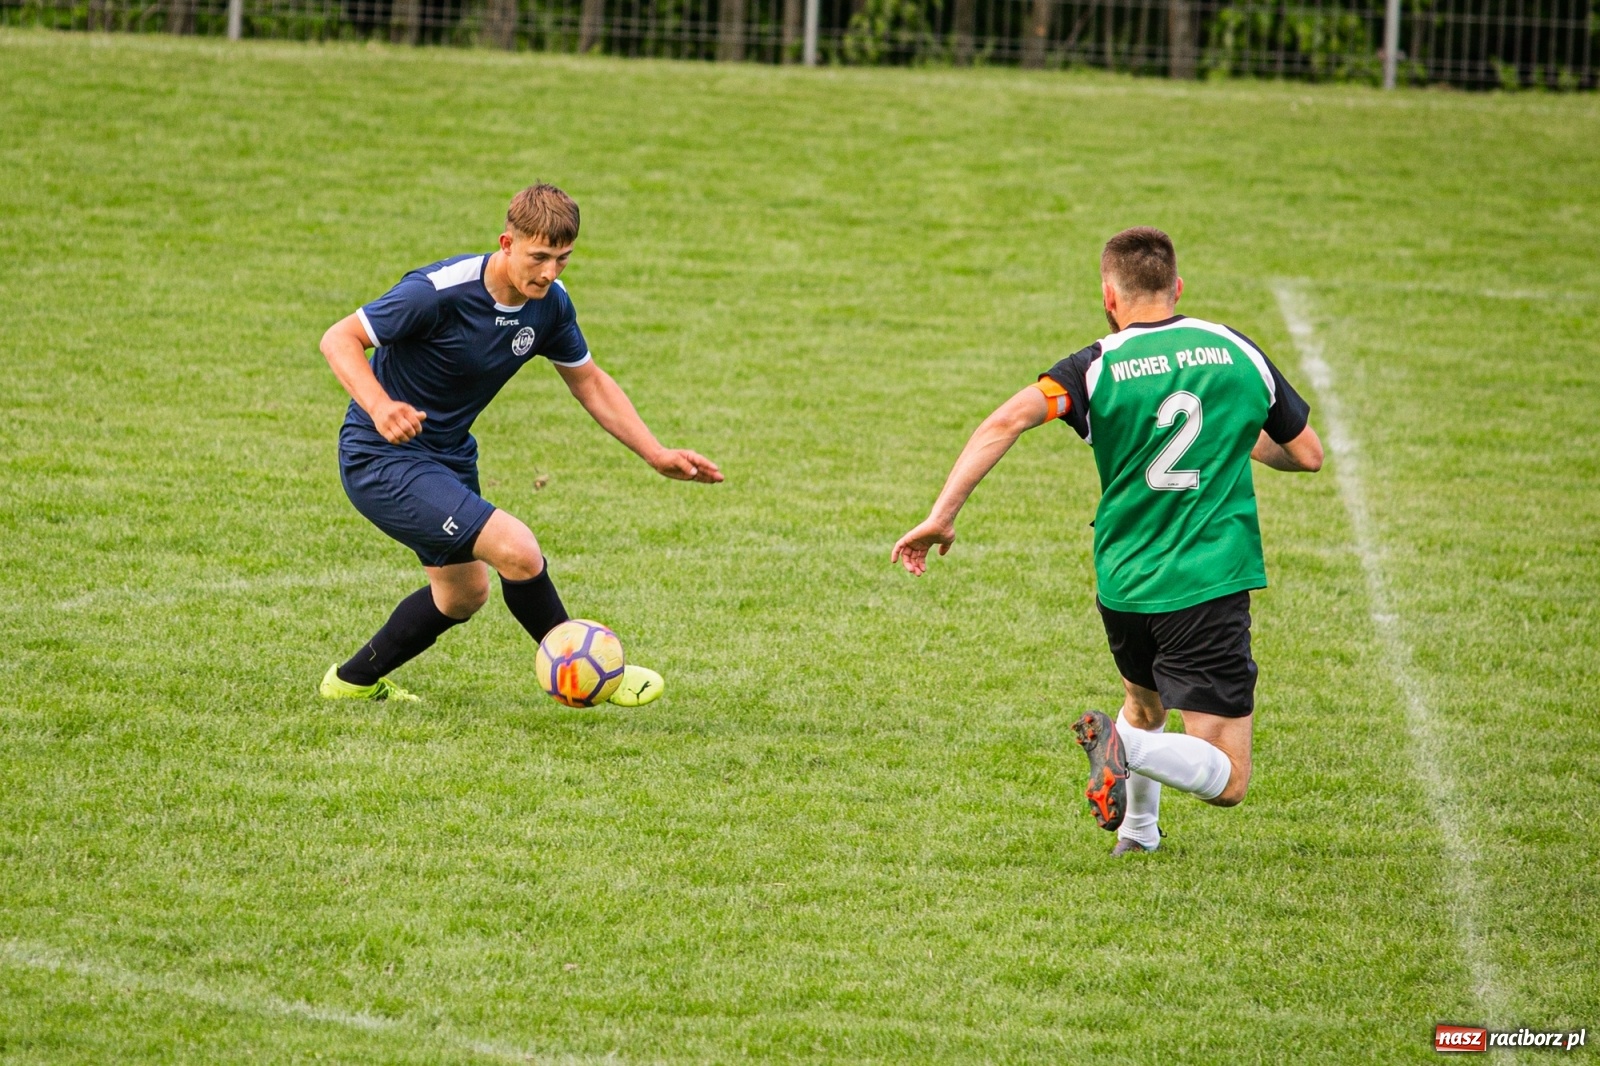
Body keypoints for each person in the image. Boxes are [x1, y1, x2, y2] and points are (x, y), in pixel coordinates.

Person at [891, 227, 1323, 854]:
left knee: (1143, 703)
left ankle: (1139, 833)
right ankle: (1127, 752)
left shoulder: (1091, 369)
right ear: (1177, 287)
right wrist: (1230, 432)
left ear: (1108, 297)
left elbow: (1007, 419)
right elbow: (1305, 454)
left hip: (1122, 583)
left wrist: (941, 516)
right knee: (1228, 778)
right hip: (1205, 583)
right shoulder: (1233, 349)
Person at [318, 183, 721, 705]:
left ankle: (350, 683)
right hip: (381, 456)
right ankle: (585, 670)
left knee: (462, 596)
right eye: (538, 257)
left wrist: (656, 452)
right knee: (518, 550)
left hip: (448, 456)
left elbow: (589, 381)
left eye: (563, 259)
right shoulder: (437, 291)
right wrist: (380, 406)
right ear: (506, 243)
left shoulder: (549, 305)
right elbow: (338, 338)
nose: (549, 272)